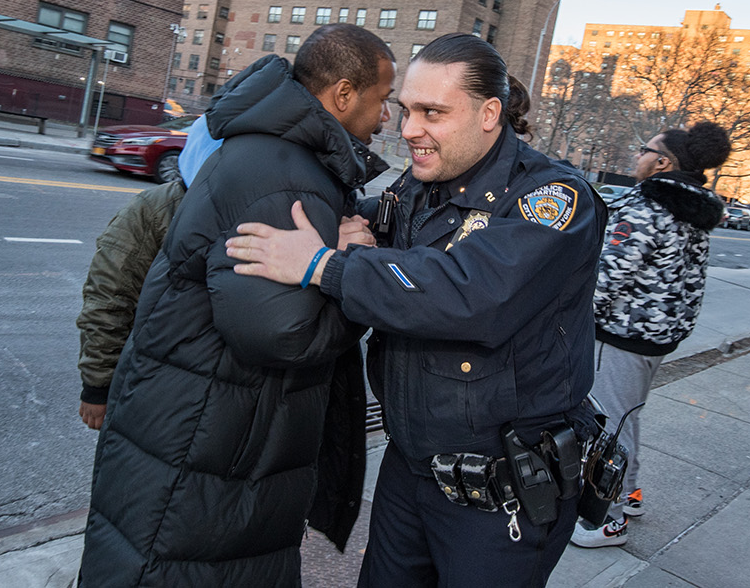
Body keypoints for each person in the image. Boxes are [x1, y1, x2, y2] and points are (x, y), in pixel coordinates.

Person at [226, 33, 607, 587]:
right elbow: (374, 218)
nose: (407, 131)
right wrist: (331, 218)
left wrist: (323, 266)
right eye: (406, 110)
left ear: (489, 114)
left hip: (502, 489)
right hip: (411, 466)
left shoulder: (551, 198)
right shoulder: (420, 185)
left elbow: (470, 293)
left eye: (432, 112)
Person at [78, 24, 396, 587]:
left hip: (211, 441)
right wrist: (350, 275)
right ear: (343, 95)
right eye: (384, 99)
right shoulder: (282, 174)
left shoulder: (281, 159)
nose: (389, 116)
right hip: (208, 448)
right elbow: (283, 334)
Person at [570, 122, 731, 549]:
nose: (637, 156)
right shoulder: (692, 209)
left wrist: (573, 319)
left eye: (645, 150)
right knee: (627, 416)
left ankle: (610, 518)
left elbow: (608, 277)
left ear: (662, 162)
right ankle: (632, 493)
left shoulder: (649, 206)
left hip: (622, 334)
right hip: (656, 335)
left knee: (609, 423)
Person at [75, 117, 222, 430]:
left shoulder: (249, 209)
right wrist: (97, 385)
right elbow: (110, 295)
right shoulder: (158, 208)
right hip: (152, 381)